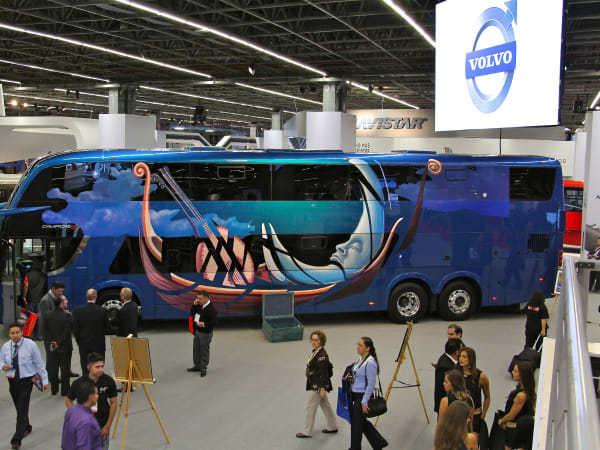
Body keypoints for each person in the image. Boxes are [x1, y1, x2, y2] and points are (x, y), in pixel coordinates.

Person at [1, 323, 49, 449]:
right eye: (12, 333)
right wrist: (2, 365)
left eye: (17, 332)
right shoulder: (6, 346)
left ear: (22, 332)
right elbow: (1, 360)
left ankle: (17, 439)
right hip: (12, 380)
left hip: (26, 380)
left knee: (22, 407)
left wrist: (44, 380)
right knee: (19, 407)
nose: (15, 335)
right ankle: (26, 426)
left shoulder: (30, 345)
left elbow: (39, 363)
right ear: (9, 335)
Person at [66, 353, 117, 450]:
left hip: (102, 426)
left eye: (102, 366)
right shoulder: (79, 383)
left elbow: (114, 402)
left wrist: (108, 426)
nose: (101, 369)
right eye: (97, 367)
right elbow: (68, 399)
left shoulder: (108, 381)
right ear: (89, 367)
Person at [346, 336, 388, 450]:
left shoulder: (370, 363)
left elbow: (371, 384)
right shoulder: (360, 359)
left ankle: (355, 448)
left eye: (360, 345)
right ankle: (379, 443)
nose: (357, 347)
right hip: (356, 394)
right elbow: (356, 371)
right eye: (358, 344)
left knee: (356, 424)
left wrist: (364, 402)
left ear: (367, 348)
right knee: (360, 421)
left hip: (362, 396)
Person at [296, 330, 338, 438]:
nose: (313, 342)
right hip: (316, 383)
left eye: (316, 340)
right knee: (325, 405)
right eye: (312, 340)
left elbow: (323, 374)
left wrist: (322, 389)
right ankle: (333, 426)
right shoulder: (316, 352)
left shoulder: (322, 356)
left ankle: (307, 431)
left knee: (310, 407)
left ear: (321, 341)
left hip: (318, 386)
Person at [498, 362, 536, 450]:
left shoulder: (521, 396)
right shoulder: (525, 391)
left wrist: (501, 421)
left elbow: (511, 415)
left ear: (522, 375)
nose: (512, 372)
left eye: (515, 371)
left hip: (515, 430)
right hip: (520, 427)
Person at [456, 347, 491, 438]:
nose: (461, 359)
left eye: (464, 357)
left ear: (471, 359)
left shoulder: (481, 377)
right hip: (459, 414)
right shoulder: (456, 374)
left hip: (475, 416)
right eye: (460, 356)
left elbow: (487, 397)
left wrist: (483, 415)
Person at [73, 289, 109, 374]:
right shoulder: (103, 311)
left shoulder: (78, 311)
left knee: (85, 367)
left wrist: (80, 343)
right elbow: (107, 328)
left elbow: (76, 330)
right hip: (99, 345)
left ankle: (87, 380)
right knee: (98, 367)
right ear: (96, 297)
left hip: (84, 345)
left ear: (86, 297)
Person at [43, 294, 73, 396]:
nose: (66, 302)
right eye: (65, 301)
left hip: (52, 346)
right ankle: (65, 390)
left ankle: (54, 389)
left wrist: (51, 342)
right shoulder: (66, 316)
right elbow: (66, 332)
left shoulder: (47, 315)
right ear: (61, 304)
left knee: (53, 368)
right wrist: (59, 343)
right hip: (64, 346)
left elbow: (45, 331)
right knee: (65, 368)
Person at [62, 380, 103, 450]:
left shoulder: (71, 410)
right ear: (90, 397)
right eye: (96, 393)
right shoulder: (86, 422)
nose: (98, 396)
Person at [187, 291, 217, 377]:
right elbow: (192, 313)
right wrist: (194, 304)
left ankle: (203, 368)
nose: (198, 300)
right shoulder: (200, 305)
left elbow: (214, 322)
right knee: (196, 349)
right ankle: (197, 366)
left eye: (200, 298)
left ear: (206, 298)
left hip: (205, 333)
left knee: (204, 350)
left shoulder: (211, 309)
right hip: (197, 331)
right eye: (197, 298)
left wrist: (204, 324)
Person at [434, 338, 463, 414]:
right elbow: (444, 389)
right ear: (457, 352)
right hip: (447, 406)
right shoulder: (446, 367)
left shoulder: (446, 357)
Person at [22, 261, 47, 340]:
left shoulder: (28, 275)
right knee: (39, 316)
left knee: (30, 316)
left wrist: (24, 296)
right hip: (40, 298)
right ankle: (39, 335)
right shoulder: (44, 275)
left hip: (30, 298)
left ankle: (31, 335)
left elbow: (26, 285)